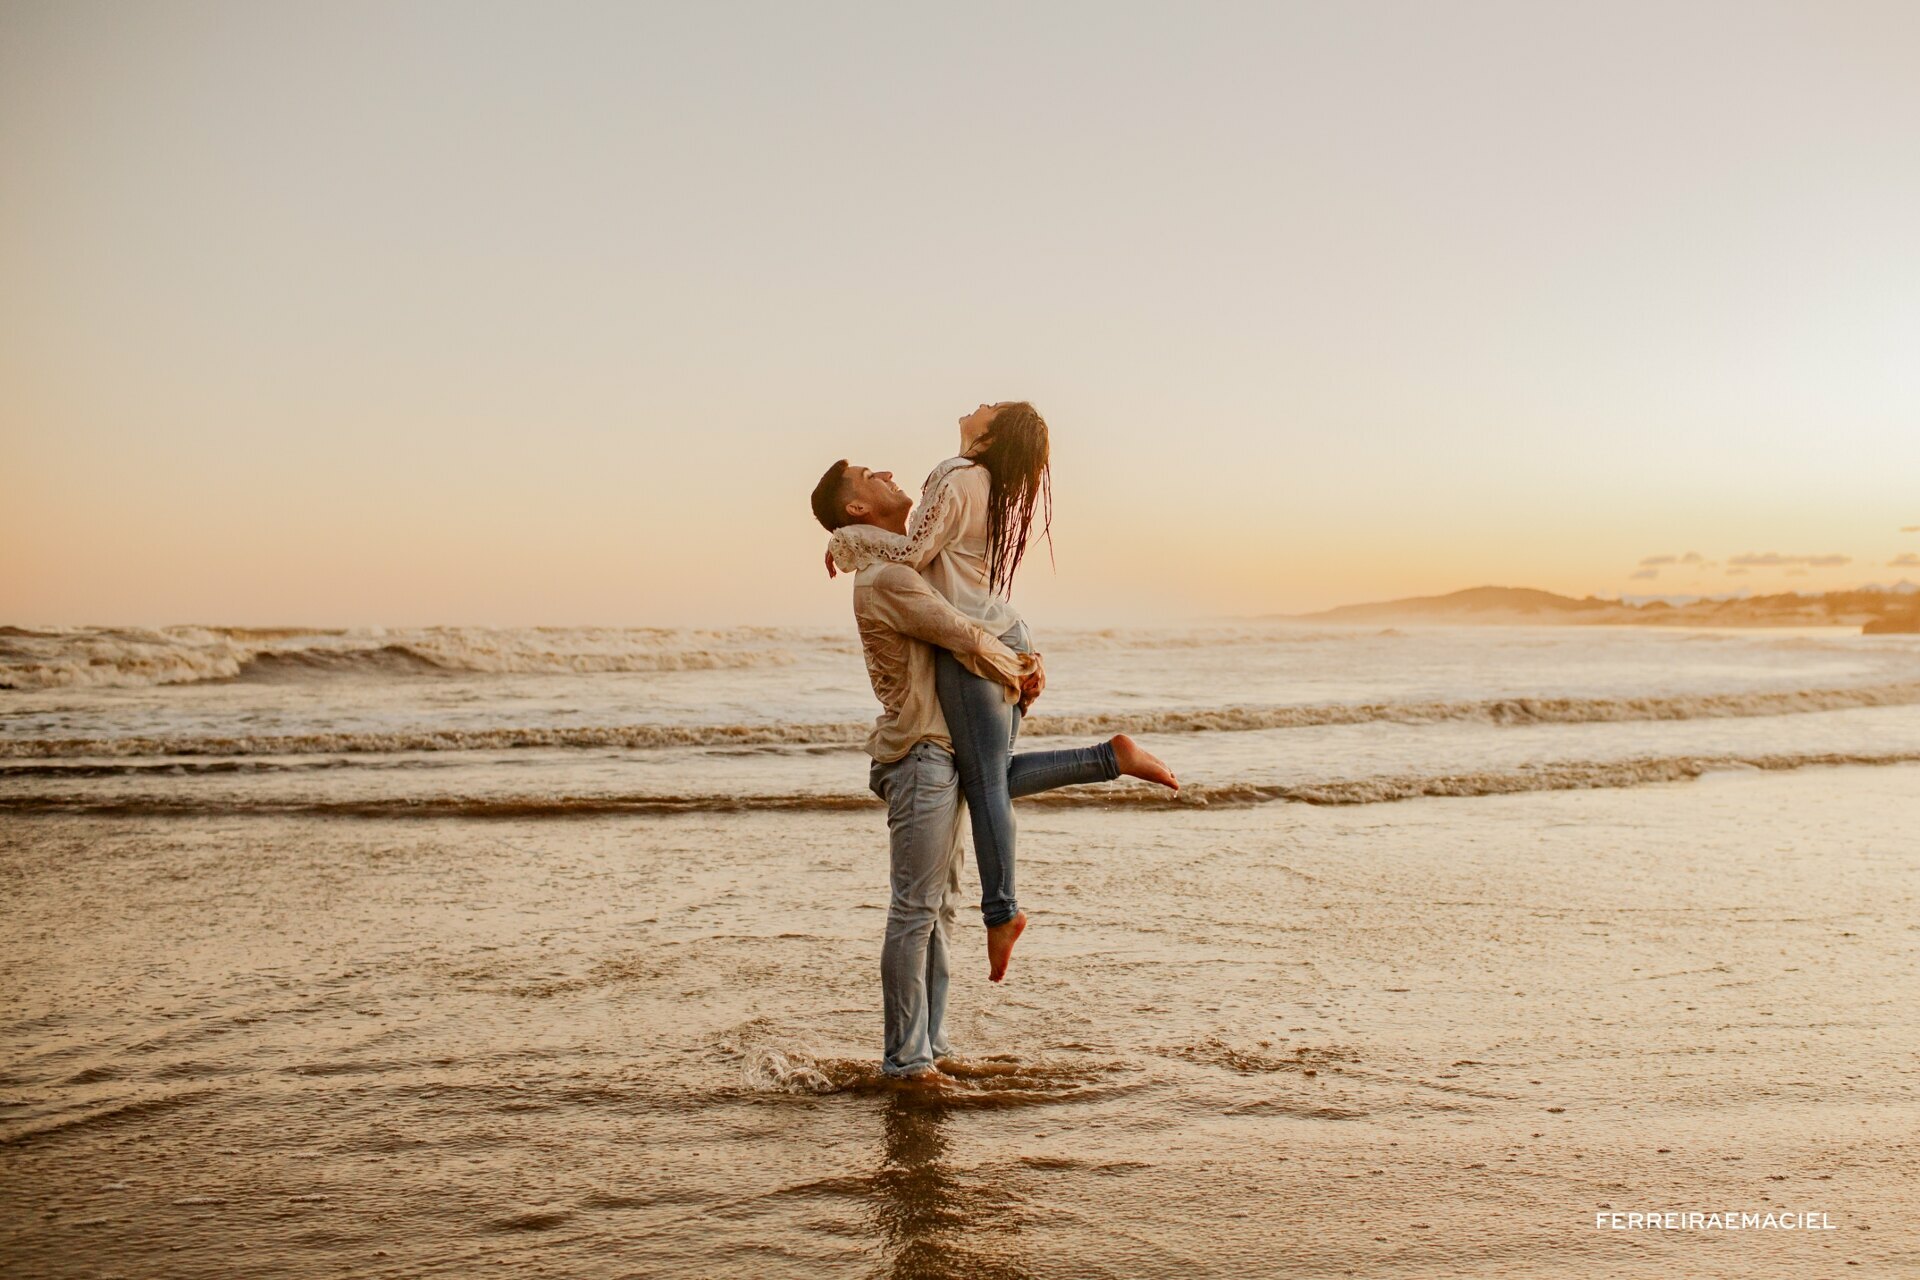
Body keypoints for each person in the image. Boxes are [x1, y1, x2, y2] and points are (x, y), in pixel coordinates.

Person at [810, 459, 1166, 1080]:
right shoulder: (886, 579)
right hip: (917, 753)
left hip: (942, 749)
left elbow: (977, 610)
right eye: (870, 474)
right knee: (916, 910)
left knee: (939, 909)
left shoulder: (906, 563)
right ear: (857, 509)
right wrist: (1020, 670)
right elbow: (964, 635)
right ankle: (905, 1060)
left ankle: (932, 1048)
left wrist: (1025, 663)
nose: (888, 471)